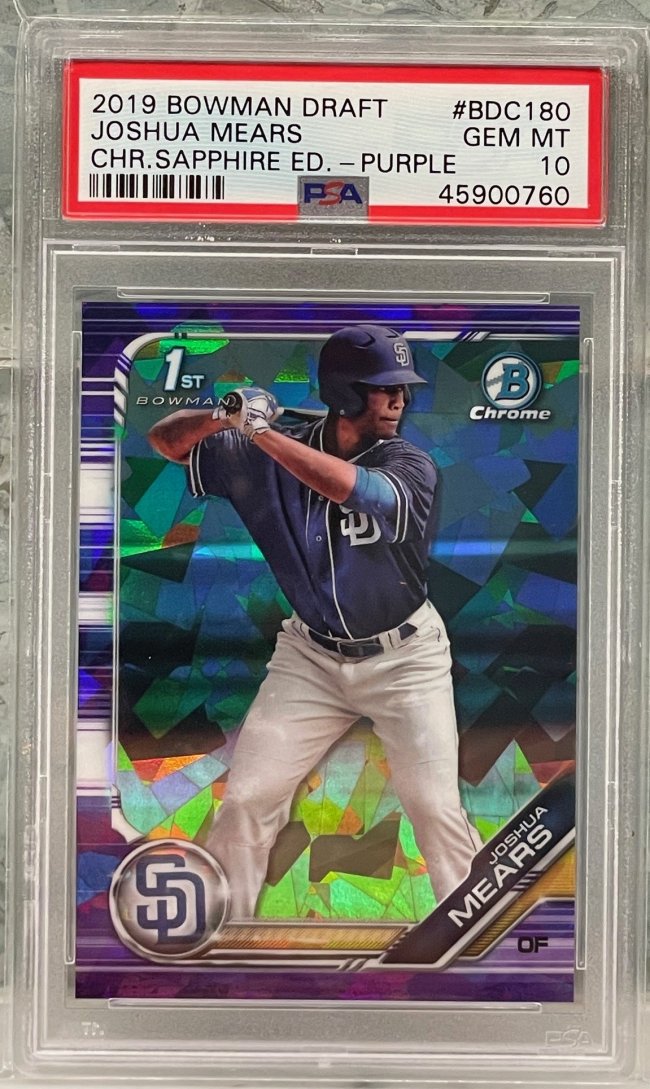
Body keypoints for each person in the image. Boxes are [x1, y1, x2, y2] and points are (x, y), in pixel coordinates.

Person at [148, 324, 481, 920]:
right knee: (247, 800)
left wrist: (261, 433)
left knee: (434, 809)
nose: (399, 399)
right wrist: (223, 416)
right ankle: (222, 933)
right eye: (383, 388)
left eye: (401, 388)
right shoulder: (264, 445)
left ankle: (473, 932)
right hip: (309, 658)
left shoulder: (411, 464)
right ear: (345, 391)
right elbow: (165, 441)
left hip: (406, 660)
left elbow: (356, 491)